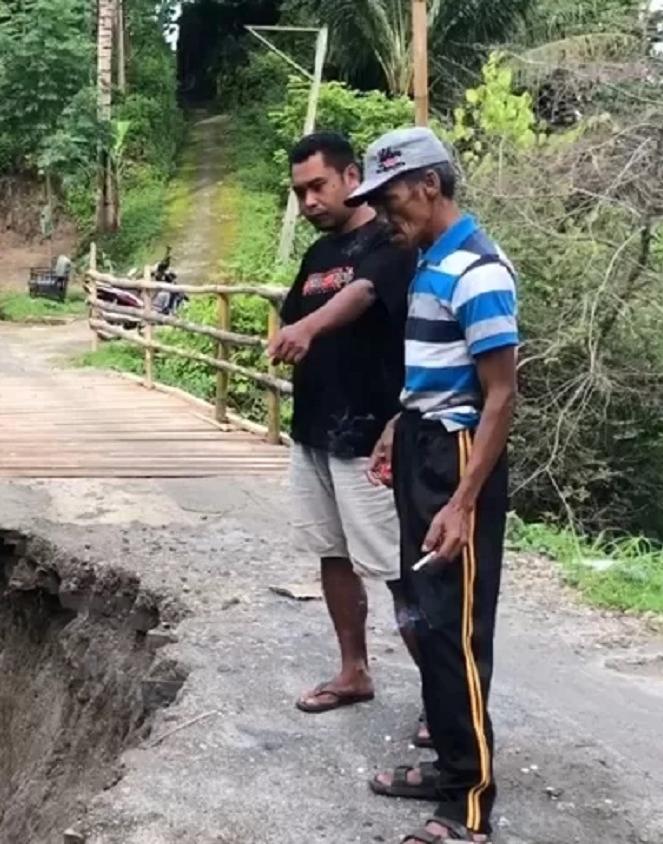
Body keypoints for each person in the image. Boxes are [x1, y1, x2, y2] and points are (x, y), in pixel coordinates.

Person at [352, 127, 519, 844]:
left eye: (391, 199)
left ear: (428, 184)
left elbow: (501, 395)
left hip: (457, 458)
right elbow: (436, 373)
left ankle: (468, 807)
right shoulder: (429, 260)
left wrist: (462, 502)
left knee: (454, 629)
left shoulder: (478, 268)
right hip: (423, 441)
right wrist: (399, 423)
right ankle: (448, 760)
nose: (386, 215)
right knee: (421, 614)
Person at [267, 132, 426, 743]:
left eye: (319, 186)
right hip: (315, 430)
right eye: (300, 191)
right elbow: (290, 310)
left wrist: (307, 328)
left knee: (396, 568)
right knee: (331, 554)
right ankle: (353, 670)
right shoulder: (317, 253)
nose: (309, 200)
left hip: (369, 435)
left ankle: (440, 700)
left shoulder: (389, 240)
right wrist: (293, 330)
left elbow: (361, 296)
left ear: (351, 176)